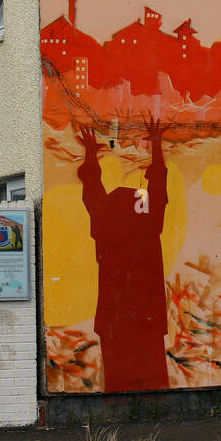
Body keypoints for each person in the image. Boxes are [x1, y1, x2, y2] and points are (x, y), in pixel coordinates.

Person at [79, 116, 170, 392]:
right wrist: (156, 146)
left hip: (114, 317)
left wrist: (91, 154)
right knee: (153, 377)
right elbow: (158, 186)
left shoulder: (105, 225)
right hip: (146, 316)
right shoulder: (150, 223)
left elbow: (91, 190)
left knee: (118, 381)